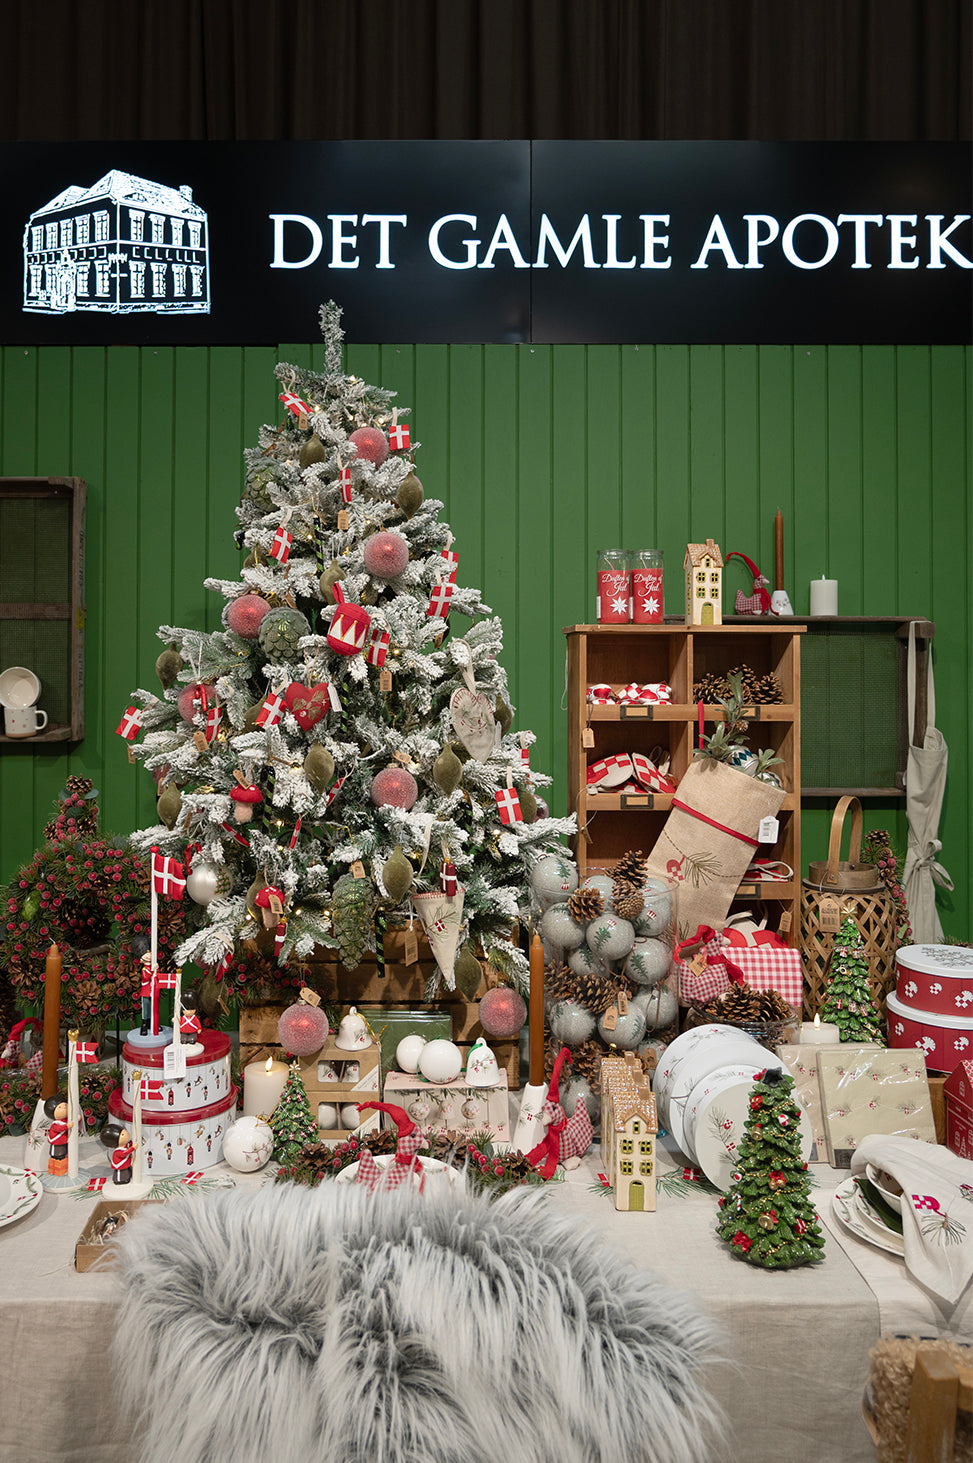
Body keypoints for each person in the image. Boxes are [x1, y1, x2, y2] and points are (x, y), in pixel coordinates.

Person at [44, 1095, 71, 1176]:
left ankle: (63, 1169)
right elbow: (59, 1129)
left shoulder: (66, 1120)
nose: (64, 1108)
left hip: (64, 1142)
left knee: (64, 1154)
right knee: (57, 1155)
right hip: (57, 1145)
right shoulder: (56, 1124)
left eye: (65, 1105)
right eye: (60, 1107)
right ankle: (55, 1170)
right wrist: (67, 1126)